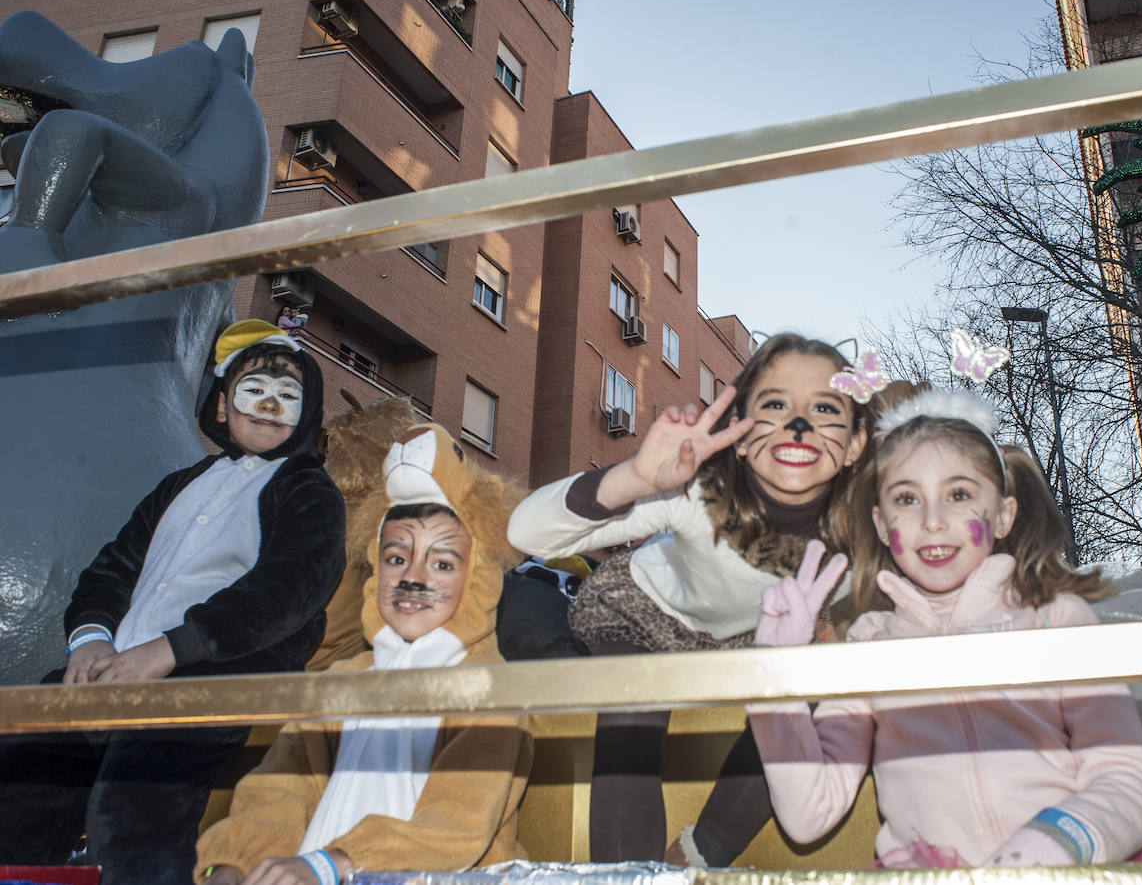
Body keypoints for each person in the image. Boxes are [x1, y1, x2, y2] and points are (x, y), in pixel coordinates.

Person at [746, 386, 1142, 868]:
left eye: (959, 494)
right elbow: (808, 815)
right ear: (883, 526)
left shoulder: (1056, 618)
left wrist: (1051, 847)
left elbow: (1131, 781)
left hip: (1066, 870)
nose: (931, 521)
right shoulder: (869, 642)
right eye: (907, 498)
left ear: (1003, 514)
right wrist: (773, 680)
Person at [0, 319, 346, 885]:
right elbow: (112, 567)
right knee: (26, 777)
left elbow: (289, 589)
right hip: (117, 667)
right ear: (220, 407)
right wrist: (90, 639)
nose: (270, 404)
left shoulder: (307, 489)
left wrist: (174, 649)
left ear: (305, 415)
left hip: (209, 677)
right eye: (253, 390)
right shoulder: (179, 483)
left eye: (289, 396)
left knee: (133, 808)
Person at [507, 333, 873, 865]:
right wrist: (633, 477)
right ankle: (627, 875)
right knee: (635, 708)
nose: (799, 424)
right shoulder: (700, 490)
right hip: (643, 615)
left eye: (824, 407)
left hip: (748, 643)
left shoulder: (861, 533)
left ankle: (701, 852)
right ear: (742, 436)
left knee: (819, 686)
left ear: (857, 443)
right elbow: (527, 533)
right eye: (775, 404)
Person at [197, 424, 532, 885]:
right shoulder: (342, 680)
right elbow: (278, 789)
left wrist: (329, 863)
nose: (412, 578)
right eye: (396, 558)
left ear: (477, 578)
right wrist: (232, 863)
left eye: (441, 563)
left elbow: (459, 824)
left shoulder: (493, 692)